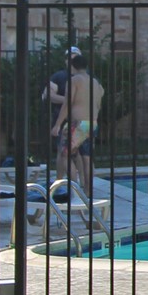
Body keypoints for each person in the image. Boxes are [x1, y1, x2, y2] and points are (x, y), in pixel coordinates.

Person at [52, 49, 104, 196]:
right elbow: (99, 103)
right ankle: (88, 191)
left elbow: (67, 103)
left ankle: (74, 190)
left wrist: (57, 124)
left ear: (73, 67)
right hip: (92, 123)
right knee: (87, 158)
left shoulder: (74, 81)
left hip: (77, 123)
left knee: (65, 155)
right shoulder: (94, 82)